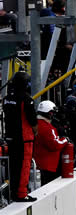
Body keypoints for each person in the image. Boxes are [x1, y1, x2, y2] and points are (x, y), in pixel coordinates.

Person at [2, 72, 38, 202]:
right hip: (24, 138)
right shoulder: (27, 99)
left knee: (13, 166)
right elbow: (32, 120)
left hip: (10, 137)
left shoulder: (6, 98)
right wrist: (35, 132)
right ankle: (22, 193)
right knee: (24, 166)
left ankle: (12, 192)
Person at [34, 101, 70, 185]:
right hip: (48, 166)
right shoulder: (48, 128)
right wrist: (65, 139)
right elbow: (54, 145)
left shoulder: (35, 124)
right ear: (49, 113)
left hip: (38, 164)